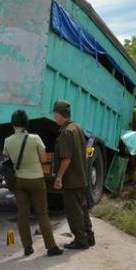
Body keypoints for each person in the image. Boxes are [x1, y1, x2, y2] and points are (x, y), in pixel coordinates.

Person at [3, 110, 63, 257]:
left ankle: (27, 247)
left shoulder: (8, 141)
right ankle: (51, 247)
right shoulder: (35, 138)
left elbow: (8, 159)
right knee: (42, 213)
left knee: (23, 214)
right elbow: (43, 159)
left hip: (19, 181)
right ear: (26, 123)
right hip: (36, 180)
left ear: (13, 124)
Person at [52, 100, 95, 250]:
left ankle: (81, 241)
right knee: (82, 209)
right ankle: (89, 237)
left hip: (71, 179)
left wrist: (58, 177)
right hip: (81, 177)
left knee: (73, 212)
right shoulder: (77, 127)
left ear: (59, 114)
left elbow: (66, 158)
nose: (54, 117)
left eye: (54, 114)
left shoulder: (66, 132)